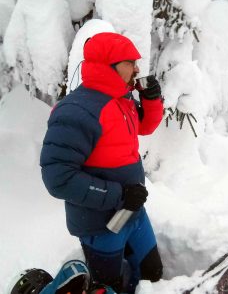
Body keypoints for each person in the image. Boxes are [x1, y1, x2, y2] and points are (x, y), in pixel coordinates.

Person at [40, 32, 164, 293]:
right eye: (130, 62)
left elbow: (143, 127)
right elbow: (58, 179)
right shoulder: (76, 111)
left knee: (153, 274)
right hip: (100, 226)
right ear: (110, 66)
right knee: (111, 288)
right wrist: (119, 195)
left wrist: (151, 101)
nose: (137, 68)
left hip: (134, 213)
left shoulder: (121, 99)